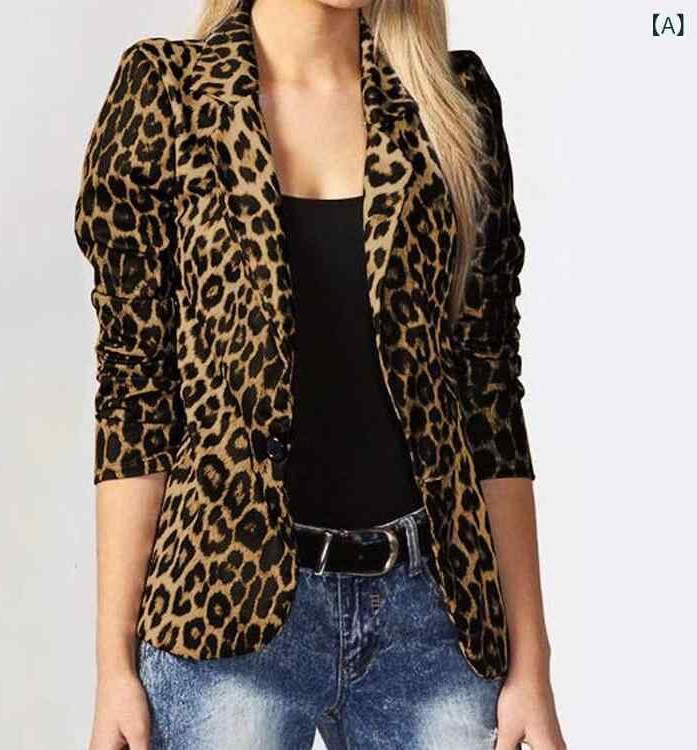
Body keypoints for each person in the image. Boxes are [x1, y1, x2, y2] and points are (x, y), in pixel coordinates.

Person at [74, 1, 567, 748]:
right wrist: (114, 667)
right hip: (222, 620)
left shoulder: (452, 100)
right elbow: (135, 394)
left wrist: (532, 663)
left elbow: (490, 395)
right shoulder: (167, 94)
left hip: (434, 623)